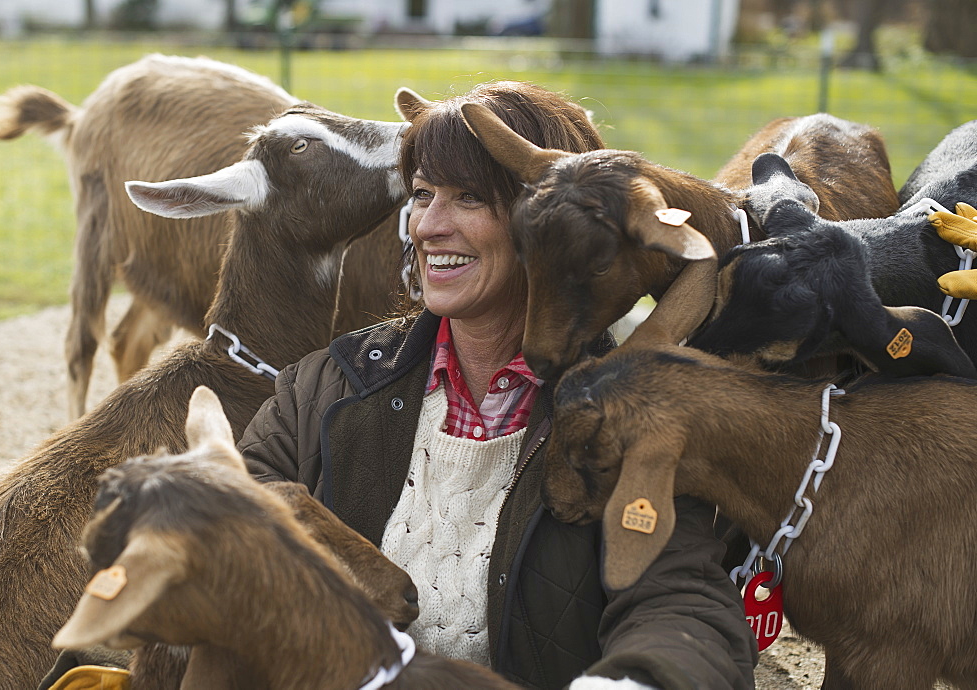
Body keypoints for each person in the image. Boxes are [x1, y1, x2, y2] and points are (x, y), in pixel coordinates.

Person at [239, 80, 758, 690]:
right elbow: (234, 498)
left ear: (550, 225)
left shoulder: (633, 423)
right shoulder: (325, 386)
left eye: (469, 198)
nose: (428, 225)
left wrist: (629, 682)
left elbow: (685, 605)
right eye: (422, 194)